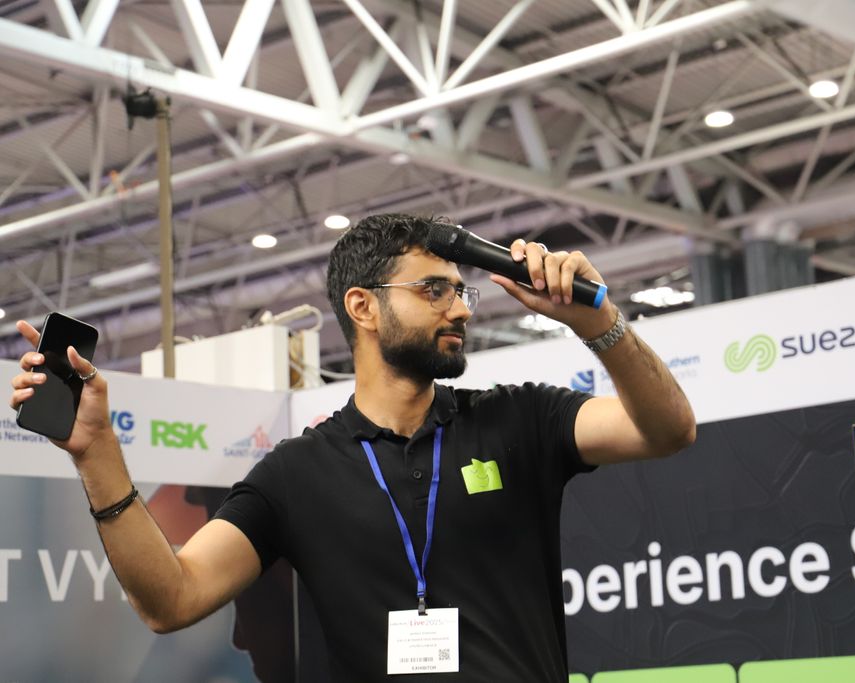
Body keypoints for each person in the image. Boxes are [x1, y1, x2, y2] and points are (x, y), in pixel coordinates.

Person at [8, 213, 696, 682]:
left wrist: (599, 322)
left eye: (460, 291)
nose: (460, 307)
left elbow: (667, 429)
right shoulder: (297, 473)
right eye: (434, 290)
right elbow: (172, 598)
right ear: (363, 307)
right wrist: (97, 451)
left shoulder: (520, 419)